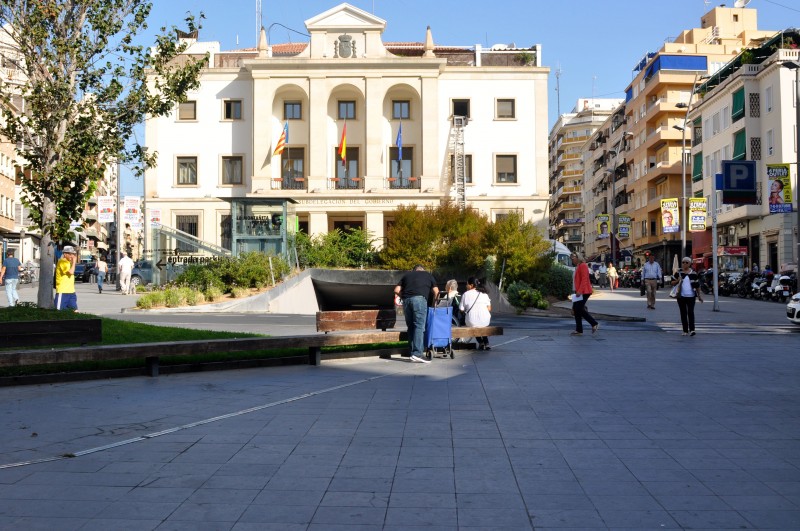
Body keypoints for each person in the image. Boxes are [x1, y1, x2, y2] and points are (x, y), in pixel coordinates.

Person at [394, 264, 438, 363]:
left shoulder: (407, 275)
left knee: (411, 326)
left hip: (406, 301)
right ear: (423, 270)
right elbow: (436, 292)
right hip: (419, 300)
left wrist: (404, 297)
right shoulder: (428, 275)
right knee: (419, 326)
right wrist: (435, 303)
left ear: (414, 270)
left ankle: (412, 352)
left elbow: (396, 290)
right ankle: (417, 353)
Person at [671, 257, 703, 336]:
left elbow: (697, 285)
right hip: (681, 296)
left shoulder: (694, 273)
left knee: (691, 312)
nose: (684, 264)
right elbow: (672, 282)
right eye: (683, 262)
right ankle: (685, 330)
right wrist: (678, 280)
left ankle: (692, 330)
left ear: (690, 264)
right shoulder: (678, 272)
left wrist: (699, 296)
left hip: (691, 296)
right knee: (683, 313)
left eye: (686, 262)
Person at [570, 252, 599, 336]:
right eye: (571, 258)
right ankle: (579, 330)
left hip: (584, 291)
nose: (572, 260)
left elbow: (585, 279)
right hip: (578, 291)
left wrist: (579, 291)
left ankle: (594, 323)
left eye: (573, 258)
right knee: (576, 309)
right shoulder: (578, 266)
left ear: (577, 257)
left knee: (578, 308)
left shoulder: (583, 265)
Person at [460, 277, 492, 350]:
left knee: (474, 322)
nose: (466, 286)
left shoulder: (466, 294)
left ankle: (481, 343)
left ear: (471, 285)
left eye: (467, 284)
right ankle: (486, 343)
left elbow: (461, 309)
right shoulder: (484, 294)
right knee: (481, 323)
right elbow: (489, 309)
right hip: (485, 320)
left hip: (472, 321)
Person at [55, 245, 78, 310]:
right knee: (59, 310)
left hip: (71, 291)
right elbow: (71, 272)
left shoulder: (69, 263)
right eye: (70, 254)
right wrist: (74, 263)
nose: (72, 256)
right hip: (63, 291)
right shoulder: (62, 262)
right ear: (65, 254)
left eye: (73, 254)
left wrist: (72, 263)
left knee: (74, 310)